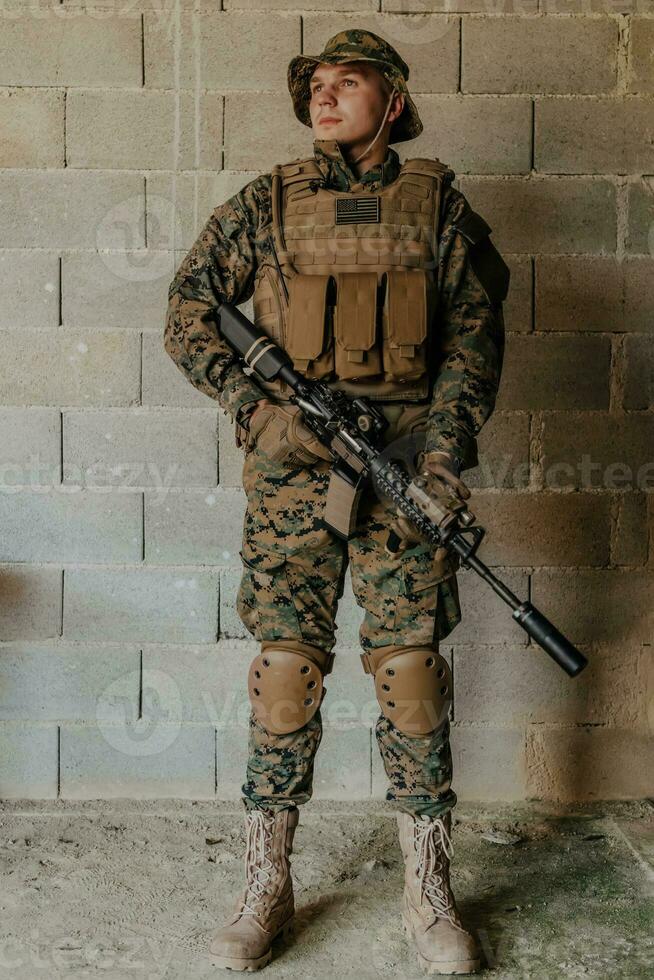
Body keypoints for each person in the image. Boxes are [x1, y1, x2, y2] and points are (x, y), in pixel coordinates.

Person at [164, 28, 509, 975]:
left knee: (409, 677)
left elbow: (475, 340)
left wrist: (440, 454)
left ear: (391, 100)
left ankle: (429, 888)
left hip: (399, 470)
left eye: (346, 83)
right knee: (284, 674)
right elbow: (188, 304)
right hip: (293, 477)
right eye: (315, 84)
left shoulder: (436, 208)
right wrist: (253, 408)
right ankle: (265, 882)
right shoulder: (267, 204)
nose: (324, 97)